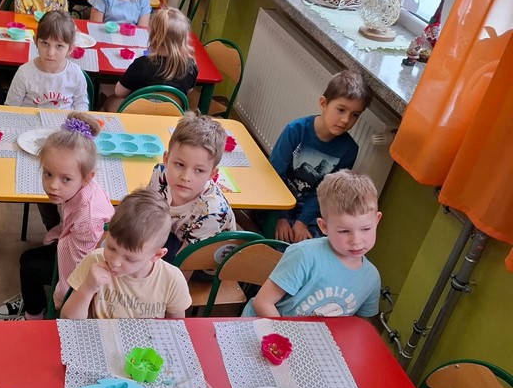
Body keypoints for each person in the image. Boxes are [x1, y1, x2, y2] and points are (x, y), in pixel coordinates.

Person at [0, 113, 114, 320]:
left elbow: (78, 271)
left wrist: (60, 298)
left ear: (87, 178)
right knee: (28, 259)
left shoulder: (88, 219)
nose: (53, 186)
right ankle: (33, 299)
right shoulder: (79, 186)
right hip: (79, 247)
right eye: (48, 174)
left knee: (29, 266)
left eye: (65, 179)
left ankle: (33, 317)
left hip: (88, 266)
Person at [244, 170, 381, 319]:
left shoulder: (371, 277)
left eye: (366, 229)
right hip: (265, 326)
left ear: (377, 220)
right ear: (324, 227)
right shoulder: (304, 255)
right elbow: (262, 303)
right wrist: (286, 333)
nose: (356, 240)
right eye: (344, 231)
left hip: (314, 333)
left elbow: (360, 324)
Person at [268, 69, 371, 243]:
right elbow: (274, 175)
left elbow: (326, 192)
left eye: (355, 115)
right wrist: (281, 217)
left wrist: (302, 222)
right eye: (341, 110)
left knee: (318, 244)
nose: (346, 120)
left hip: (310, 210)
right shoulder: (295, 131)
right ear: (323, 103)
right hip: (278, 202)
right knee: (275, 239)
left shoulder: (349, 149)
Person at [61, 188, 192, 319]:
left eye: (130, 259)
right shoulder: (94, 261)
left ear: (156, 255)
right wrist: (87, 288)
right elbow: (68, 320)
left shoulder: (172, 279)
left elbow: (177, 326)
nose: (115, 262)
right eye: (111, 248)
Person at [148, 111, 236, 262]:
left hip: (203, 262)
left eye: (199, 170)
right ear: (166, 159)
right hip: (173, 235)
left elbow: (186, 264)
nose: (185, 177)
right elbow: (148, 212)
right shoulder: (160, 173)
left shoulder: (212, 211)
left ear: (212, 174)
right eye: (179, 164)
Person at [104, 6, 197, 112]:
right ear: (184, 39)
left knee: (111, 100)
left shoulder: (141, 64)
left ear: (153, 36)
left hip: (137, 115)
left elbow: (119, 92)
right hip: (171, 116)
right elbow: (189, 90)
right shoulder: (190, 67)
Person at [5, 10, 89, 111]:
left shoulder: (76, 74)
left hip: (65, 120)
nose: (50, 53)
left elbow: (81, 106)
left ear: (70, 49)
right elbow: (11, 108)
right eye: (45, 43)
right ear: (36, 41)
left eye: (59, 46)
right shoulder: (24, 73)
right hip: (31, 120)